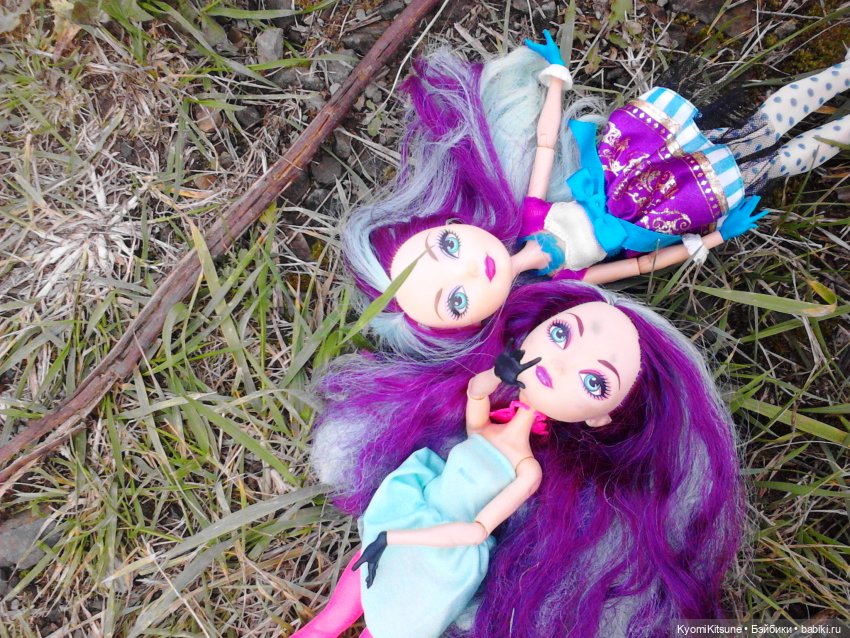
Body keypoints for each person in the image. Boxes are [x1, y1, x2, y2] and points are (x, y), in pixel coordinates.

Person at [343, 35, 849, 358]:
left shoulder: (529, 214)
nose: (473, 270)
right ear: (475, 325)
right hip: (661, 211)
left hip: (629, 166)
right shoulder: (560, 280)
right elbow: (637, 267)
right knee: (769, 163)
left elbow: (545, 146)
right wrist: (712, 240)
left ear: (450, 224)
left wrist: (554, 81)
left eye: (448, 246)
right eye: (457, 300)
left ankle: (841, 72)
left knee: (754, 128)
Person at [298, 281, 745, 638]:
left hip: (444, 551)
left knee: (394, 618)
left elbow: (477, 530)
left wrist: (399, 538)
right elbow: (476, 395)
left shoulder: (527, 471)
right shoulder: (485, 425)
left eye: (594, 381)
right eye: (560, 334)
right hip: (418, 505)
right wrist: (502, 370)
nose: (561, 364)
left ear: (602, 419)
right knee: (353, 587)